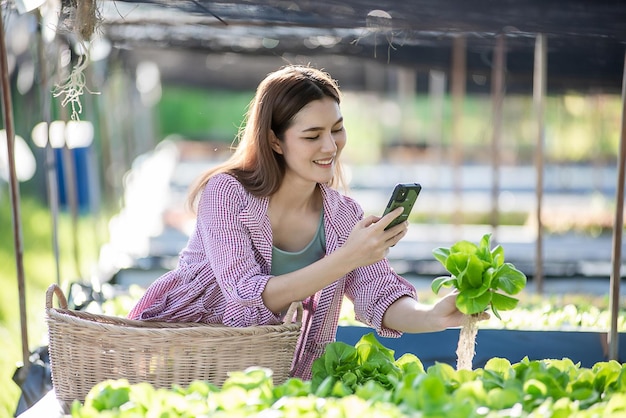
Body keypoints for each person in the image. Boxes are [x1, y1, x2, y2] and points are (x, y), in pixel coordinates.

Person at [128, 65, 472, 380]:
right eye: (312, 136)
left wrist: (433, 316)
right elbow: (245, 295)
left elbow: (378, 293)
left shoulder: (343, 215)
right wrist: (348, 257)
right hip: (177, 355)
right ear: (275, 140)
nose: (330, 146)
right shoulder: (227, 193)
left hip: (271, 374)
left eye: (337, 129)